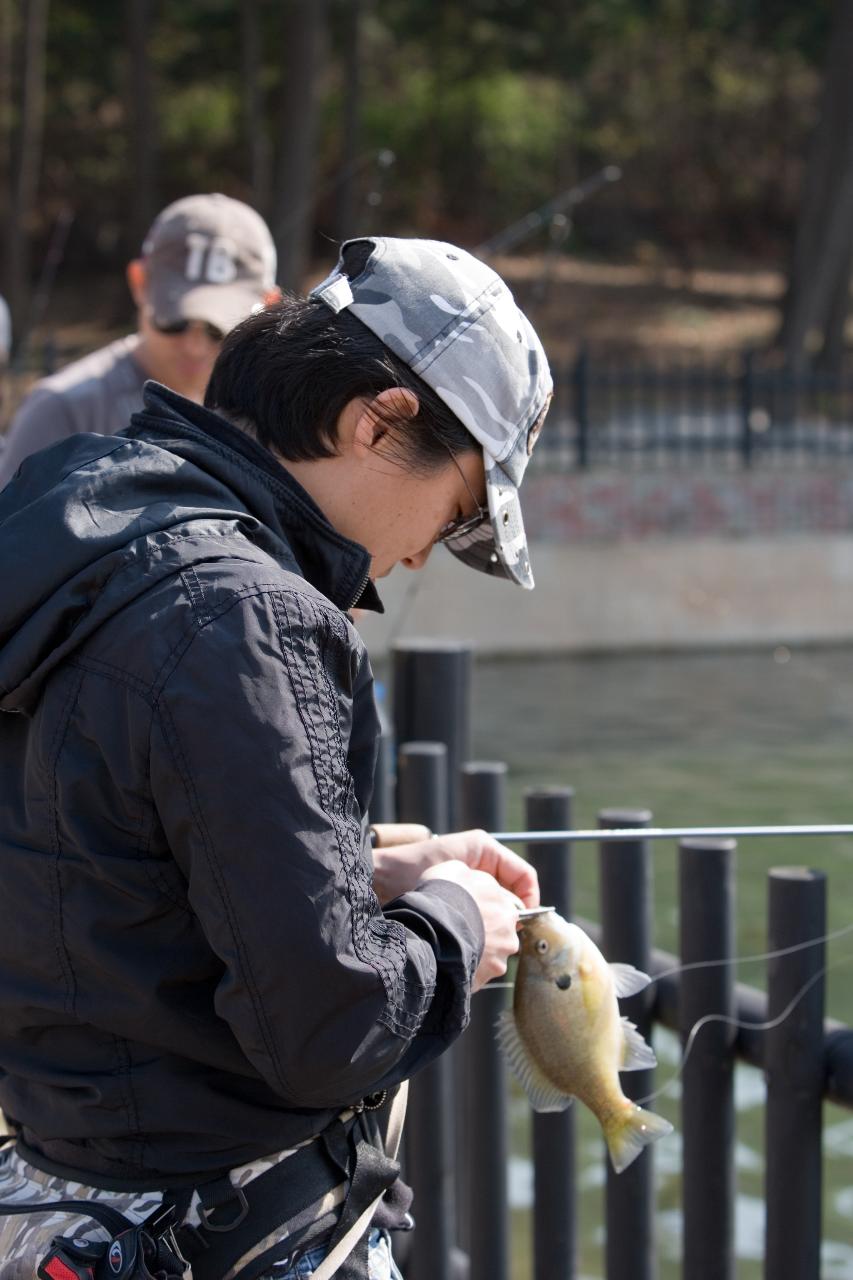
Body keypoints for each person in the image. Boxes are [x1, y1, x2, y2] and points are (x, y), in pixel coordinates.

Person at [0, 236, 552, 1280]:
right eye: (463, 502)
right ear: (375, 420)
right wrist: (451, 920)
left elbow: (96, 852)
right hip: (221, 1225)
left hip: (58, 1195)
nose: (435, 544)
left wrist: (358, 865)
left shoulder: (85, 533)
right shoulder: (244, 614)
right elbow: (331, 1025)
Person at [0, 192, 279, 490]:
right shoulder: (63, 410)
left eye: (219, 329)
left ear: (269, 306)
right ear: (139, 283)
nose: (194, 346)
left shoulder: (278, 417)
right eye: (174, 321)